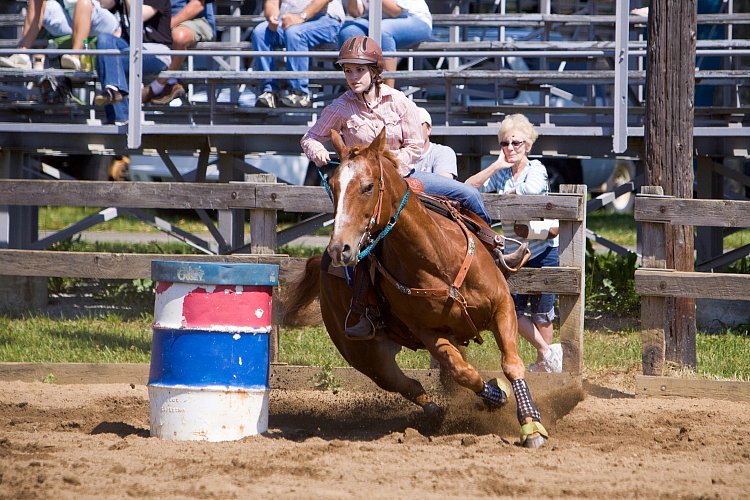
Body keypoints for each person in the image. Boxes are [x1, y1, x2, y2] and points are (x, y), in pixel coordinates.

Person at [301, 35, 491, 339]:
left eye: (358, 71)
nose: (352, 78)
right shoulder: (340, 107)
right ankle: (363, 309)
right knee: (354, 246)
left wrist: (388, 168)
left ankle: (493, 246)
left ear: (375, 72)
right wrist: (318, 152)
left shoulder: (399, 102)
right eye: (347, 71)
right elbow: (310, 137)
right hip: (365, 191)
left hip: (404, 180)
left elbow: (416, 146)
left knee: (468, 193)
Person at [465, 113, 563, 373]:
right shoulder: (501, 174)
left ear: (528, 146)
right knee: (511, 308)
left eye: (516, 143)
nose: (510, 148)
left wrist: (503, 196)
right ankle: (547, 351)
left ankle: (544, 365)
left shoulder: (537, 168)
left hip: (543, 250)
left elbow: (530, 192)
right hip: (512, 253)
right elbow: (469, 188)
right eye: (505, 144)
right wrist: (496, 166)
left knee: (543, 312)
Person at [251, 0, 345, 109]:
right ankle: (269, 92)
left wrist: (301, 17)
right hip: (288, 19)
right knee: (260, 33)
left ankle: (300, 94)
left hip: (326, 19)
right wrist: (272, 17)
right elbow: (272, 2)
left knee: (294, 33)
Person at [93, 0, 172, 125]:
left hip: (156, 51)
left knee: (107, 60)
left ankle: (120, 114)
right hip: (129, 48)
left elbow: (138, 16)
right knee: (104, 39)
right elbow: (103, 5)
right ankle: (114, 91)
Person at [0, 0, 120, 70]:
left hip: (100, 20)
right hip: (69, 19)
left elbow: (109, 3)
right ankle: (23, 54)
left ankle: (75, 57)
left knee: (84, 2)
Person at [337, 0, 432, 88]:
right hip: (375, 20)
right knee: (348, 31)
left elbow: (394, 11)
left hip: (416, 19)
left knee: (383, 31)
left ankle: (388, 94)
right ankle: (358, 91)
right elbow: (355, 12)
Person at [141, 0, 216, 105]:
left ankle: (158, 86)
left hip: (194, 20)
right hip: (154, 18)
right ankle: (170, 82)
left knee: (179, 37)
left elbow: (197, 5)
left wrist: (166, 27)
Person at [413, 106, 456, 179]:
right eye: (407, 125)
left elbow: (443, 184)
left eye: (417, 125)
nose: (412, 130)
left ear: (428, 129)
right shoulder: (396, 155)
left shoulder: (443, 152)